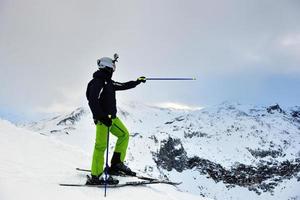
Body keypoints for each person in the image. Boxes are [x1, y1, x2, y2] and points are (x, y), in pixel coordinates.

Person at [85, 54, 146, 185]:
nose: (113, 70)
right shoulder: (97, 82)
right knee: (101, 146)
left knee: (124, 135)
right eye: (113, 67)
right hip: (103, 120)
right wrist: (101, 117)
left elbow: (122, 85)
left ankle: (116, 164)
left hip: (112, 119)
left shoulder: (109, 82)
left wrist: (137, 81)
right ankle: (96, 176)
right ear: (107, 68)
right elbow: (92, 101)